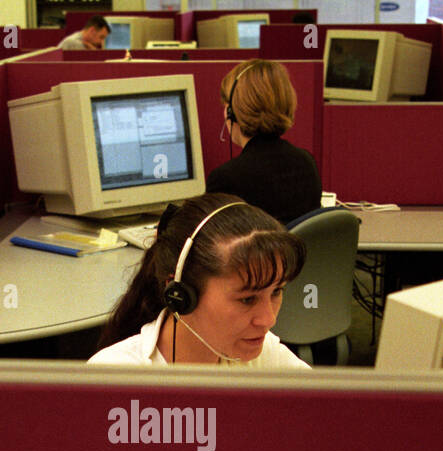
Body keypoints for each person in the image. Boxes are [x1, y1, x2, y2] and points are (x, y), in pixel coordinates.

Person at [90, 194, 309, 368]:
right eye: (247, 299)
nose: (268, 320)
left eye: (276, 291)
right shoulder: (115, 376)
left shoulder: (266, 356)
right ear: (181, 296)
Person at [205, 60, 322, 225]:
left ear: (233, 113)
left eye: (226, 106)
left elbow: (207, 244)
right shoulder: (306, 162)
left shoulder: (226, 179)